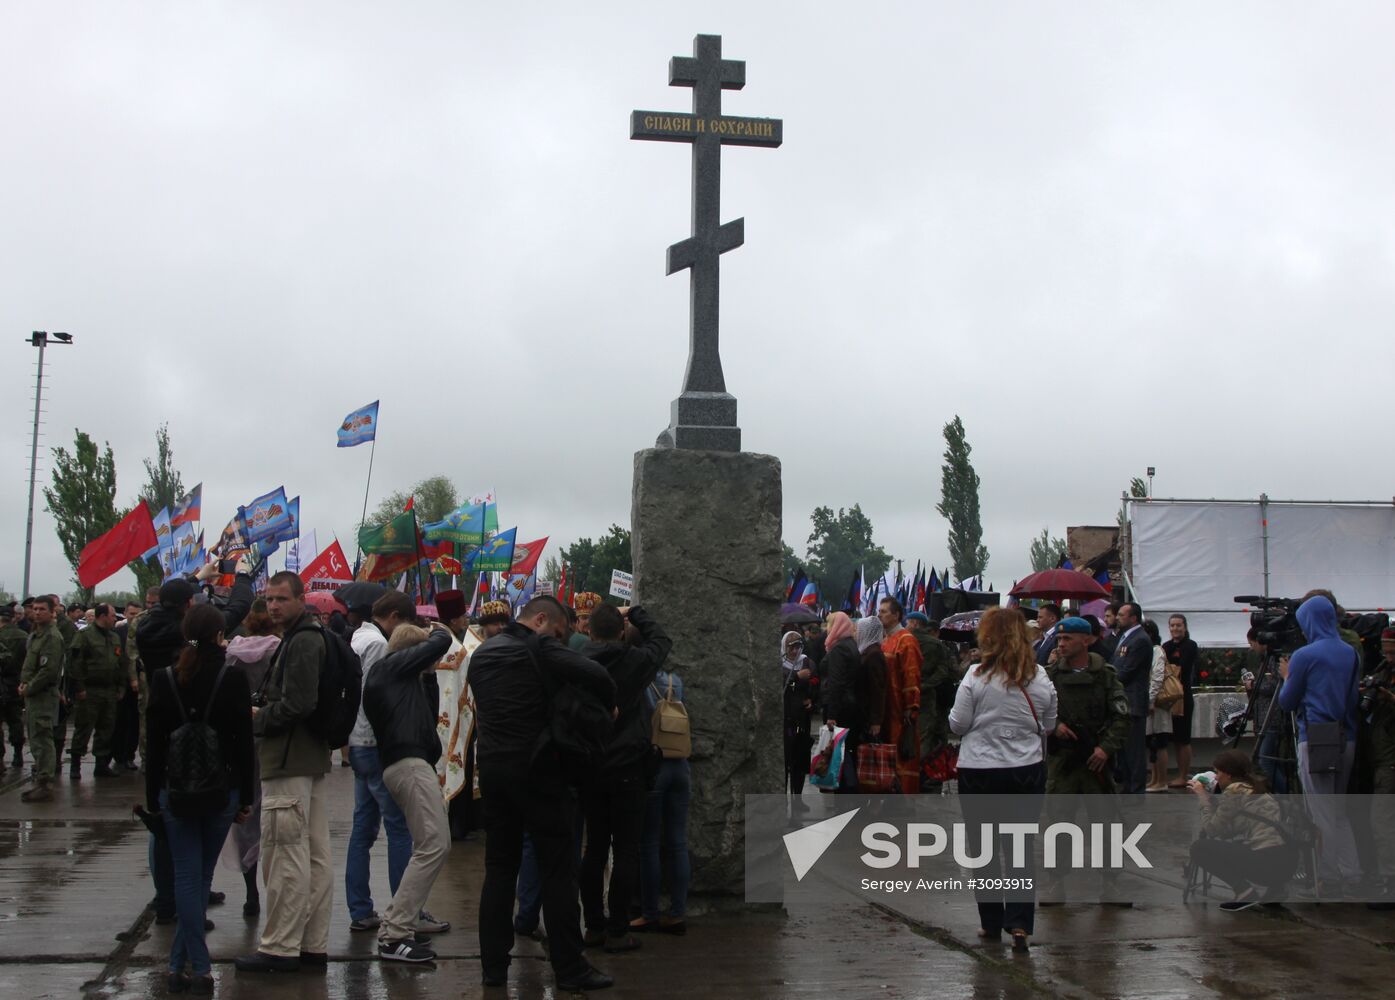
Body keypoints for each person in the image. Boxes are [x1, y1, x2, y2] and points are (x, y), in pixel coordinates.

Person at [469, 595, 616, 993]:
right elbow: (599, 677)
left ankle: (493, 969)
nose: (561, 639)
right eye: (559, 632)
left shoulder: (482, 655)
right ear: (540, 620)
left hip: (494, 771)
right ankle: (569, 967)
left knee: (499, 868)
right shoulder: (538, 645)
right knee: (557, 869)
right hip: (540, 771)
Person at [145, 604, 256, 992]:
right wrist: (247, 795)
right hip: (221, 789)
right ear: (219, 634)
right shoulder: (232, 678)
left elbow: (154, 747)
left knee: (188, 876)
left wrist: (153, 797)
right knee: (200, 875)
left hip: (174, 790)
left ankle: (179, 965)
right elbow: (245, 743)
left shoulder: (165, 678)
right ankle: (201, 967)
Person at [235, 572, 333, 975]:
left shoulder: (304, 640)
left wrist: (258, 717)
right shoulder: (301, 637)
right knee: (311, 856)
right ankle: (310, 946)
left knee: (286, 855)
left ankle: (280, 948)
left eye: (281, 599)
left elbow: (297, 704)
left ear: (300, 598)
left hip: (290, 760)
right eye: (269, 599)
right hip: (303, 759)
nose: (273, 606)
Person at [948, 607, 1056, 950]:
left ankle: (991, 921)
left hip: (980, 769)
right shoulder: (1039, 677)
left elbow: (957, 724)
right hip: (1025, 768)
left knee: (985, 850)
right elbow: (1049, 724)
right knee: (1020, 847)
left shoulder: (975, 677)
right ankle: (1020, 923)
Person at [579, 604, 672, 952]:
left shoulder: (578, 660)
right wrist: (636, 612)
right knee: (627, 849)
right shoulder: (634, 662)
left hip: (590, 763)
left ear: (589, 631)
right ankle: (618, 928)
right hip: (628, 765)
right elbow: (662, 640)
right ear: (621, 632)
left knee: (594, 848)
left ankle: (593, 926)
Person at [364, 620, 455, 962]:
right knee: (434, 844)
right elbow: (439, 643)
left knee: (429, 843)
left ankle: (402, 924)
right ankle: (394, 932)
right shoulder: (387, 670)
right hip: (409, 765)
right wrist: (439, 632)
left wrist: (430, 677)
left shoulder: (403, 681)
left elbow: (429, 719)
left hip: (412, 763)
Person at [1277, 593, 1362, 890]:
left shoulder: (1305, 655)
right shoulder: (1350, 653)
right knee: (1339, 810)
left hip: (1315, 735)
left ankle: (1327, 876)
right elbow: (1353, 698)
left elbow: (1287, 702)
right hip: (1346, 735)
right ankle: (1352, 872)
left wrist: (1287, 676)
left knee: (1320, 810)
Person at [344, 590, 416, 935]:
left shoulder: (358, 637)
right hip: (373, 742)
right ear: (393, 617)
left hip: (358, 742)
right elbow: (375, 695)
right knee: (399, 828)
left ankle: (360, 909)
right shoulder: (376, 644)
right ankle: (405, 911)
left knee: (363, 830)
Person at [223, 605, 280, 917]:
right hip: (270, 733)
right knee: (271, 806)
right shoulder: (279, 651)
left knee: (245, 809)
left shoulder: (232, 652)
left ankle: (250, 891)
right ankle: (273, 883)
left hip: (240, 735)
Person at [1187, 749, 1295, 911]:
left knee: (1199, 848)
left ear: (1229, 774)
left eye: (1218, 772)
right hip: (1287, 863)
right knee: (1243, 843)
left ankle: (1244, 892)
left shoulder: (1234, 791)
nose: (1216, 777)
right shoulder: (1256, 787)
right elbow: (1233, 829)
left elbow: (1212, 829)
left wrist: (1202, 797)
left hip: (1267, 863)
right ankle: (1276, 889)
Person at [630, 663, 691, 934]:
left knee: (649, 843)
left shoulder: (640, 682)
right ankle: (678, 912)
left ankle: (650, 912)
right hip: (681, 764)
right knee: (678, 842)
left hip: (654, 767)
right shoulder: (674, 681)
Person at [68, 603, 125, 779]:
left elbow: (120, 663)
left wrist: (120, 686)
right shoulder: (84, 635)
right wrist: (79, 688)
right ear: (102, 616)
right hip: (89, 690)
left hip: (109, 690)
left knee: (106, 728)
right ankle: (75, 765)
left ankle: (101, 765)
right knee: (84, 728)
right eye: (112, 615)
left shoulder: (114, 637)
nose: (115, 618)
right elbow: (75, 662)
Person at [18, 596, 65, 802]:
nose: (37, 613)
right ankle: (41, 779)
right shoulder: (37, 634)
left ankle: (45, 782)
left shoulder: (51, 637)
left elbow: (49, 671)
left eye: (42, 609)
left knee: (43, 737)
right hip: (33, 694)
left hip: (42, 694)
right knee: (36, 737)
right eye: (34, 609)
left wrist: (29, 687)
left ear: (52, 611)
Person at [878, 597, 923, 792]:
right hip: (886, 708)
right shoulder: (885, 640)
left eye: (884, 611)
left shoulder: (906, 639)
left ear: (896, 615)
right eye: (879, 611)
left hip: (899, 710)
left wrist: (910, 708)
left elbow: (911, 675)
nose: (879, 614)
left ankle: (903, 798)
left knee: (902, 753)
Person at [907, 611, 956, 783]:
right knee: (925, 737)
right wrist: (926, 686)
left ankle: (908, 774)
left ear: (913, 623)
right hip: (927, 697)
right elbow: (945, 671)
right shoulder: (936, 644)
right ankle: (925, 773)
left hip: (904, 695)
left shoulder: (902, 641)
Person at [1109, 602, 1151, 794]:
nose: (1117, 618)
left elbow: (1127, 671)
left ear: (1133, 618)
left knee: (1134, 751)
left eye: (1121, 615)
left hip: (1132, 703)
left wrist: (1107, 680)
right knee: (1123, 751)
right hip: (1122, 703)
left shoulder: (1140, 639)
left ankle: (1136, 790)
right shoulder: (1125, 638)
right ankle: (1127, 786)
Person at [819, 612, 862, 789]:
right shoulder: (850, 644)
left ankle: (847, 793)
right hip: (851, 706)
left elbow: (836, 683)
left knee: (840, 754)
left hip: (841, 708)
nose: (827, 628)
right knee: (846, 752)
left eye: (830, 624)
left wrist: (832, 714)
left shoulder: (839, 649)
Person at [780, 631, 817, 809]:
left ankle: (797, 799)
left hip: (802, 719)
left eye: (797, 646)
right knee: (785, 760)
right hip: (786, 719)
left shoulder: (808, 663)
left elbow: (816, 685)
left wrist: (812, 700)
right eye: (791, 647)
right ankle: (782, 799)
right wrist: (796, 677)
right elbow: (780, 686)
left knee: (800, 759)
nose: (794, 651)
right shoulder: (779, 664)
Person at [1164, 614, 1200, 788]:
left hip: (1183, 697)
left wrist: (1170, 668)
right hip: (1169, 696)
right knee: (1175, 739)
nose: (1175, 629)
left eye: (1178, 625)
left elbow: (1183, 666)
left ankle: (1183, 775)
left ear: (1185, 627)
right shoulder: (1166, 646)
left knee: (1183, 738)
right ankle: (1179, 774)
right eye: (1172, 626)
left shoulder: (1190, 645)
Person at [1143, 620, 1173, 792]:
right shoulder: (1150, 651)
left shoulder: (1157, 651)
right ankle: (1155, 779)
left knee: (1159, 741)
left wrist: (1150, 700)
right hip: (1151, 702)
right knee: (1152, 743)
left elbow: (1157, 677)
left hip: (1157, 704)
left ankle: (1161, 780)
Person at [0, 605, 27, 774]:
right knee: (15, 720)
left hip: (2, 682)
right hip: (17, 683)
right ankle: (18, 753)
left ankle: (1, 759)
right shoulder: (24, 636)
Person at [855, 616, 887, 746]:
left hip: (868, 715)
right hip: (864, 711)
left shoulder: (874, 654)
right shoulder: (867, 651)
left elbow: (877, 689)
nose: (856, 633)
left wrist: (876, 721)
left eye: (858, 629)